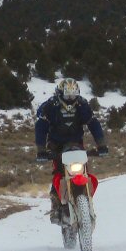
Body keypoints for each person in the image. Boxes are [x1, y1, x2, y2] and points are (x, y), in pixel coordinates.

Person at [34, 77, 108, 224]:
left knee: (85, 171)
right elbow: (41, 127)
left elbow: (93, 123)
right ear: (60, 93)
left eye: (73, 94)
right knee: (58, 172)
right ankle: (56, 204)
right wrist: (41, 150)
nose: (70, 98)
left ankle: (86, 199)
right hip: (56, 145)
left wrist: (101, 145)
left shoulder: (82, 105)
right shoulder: (51, 106)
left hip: (76, 145)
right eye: (67, 94)